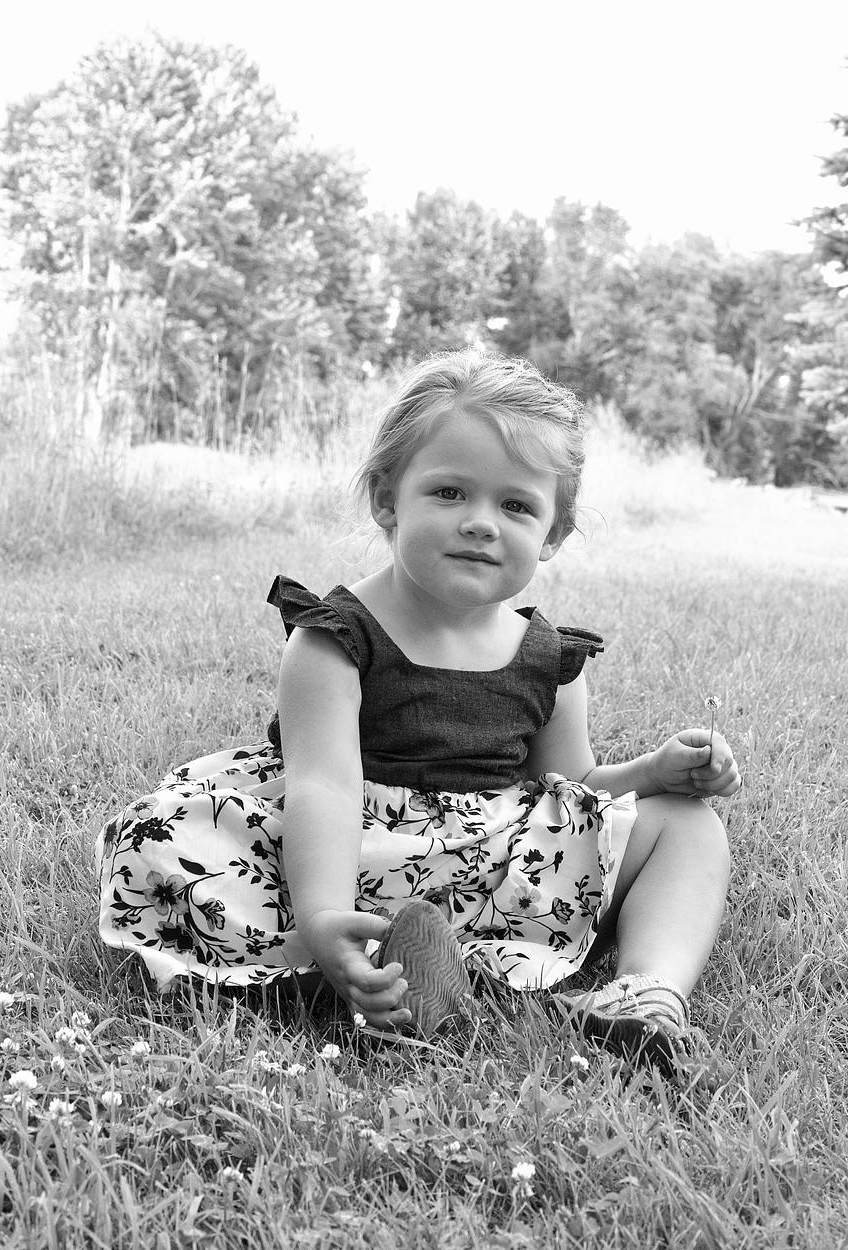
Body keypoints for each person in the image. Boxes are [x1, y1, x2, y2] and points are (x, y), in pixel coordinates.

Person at [96, 349, 739, 1069]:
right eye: (449, 493)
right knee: (169, 835)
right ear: (386, 499)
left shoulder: (548, 658)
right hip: (348, 856)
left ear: (553, 536)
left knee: (687, 824)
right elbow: (322, 787)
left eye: (516, 506)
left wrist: (653, 773)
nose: (481, 523)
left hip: (487, 867)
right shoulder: (336, 640)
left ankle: (644, 992)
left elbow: (572, 791)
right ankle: (354, 958)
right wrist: (322, 913)